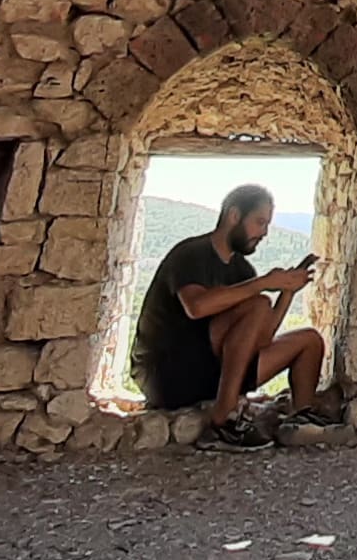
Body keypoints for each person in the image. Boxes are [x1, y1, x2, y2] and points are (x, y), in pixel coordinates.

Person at [130, 183, 331, 449]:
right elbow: (196, 307)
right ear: (234, 215)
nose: (264, 233)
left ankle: (302, 421)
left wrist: (287, 291)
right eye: (259, 222)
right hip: (168, 374)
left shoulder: (242, 270)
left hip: (215, 372)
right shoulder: (190, 254)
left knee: (309, 340)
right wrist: (263, 284)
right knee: (258, 303)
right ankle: (223, 422)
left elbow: (261, 339)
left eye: (267, 225)